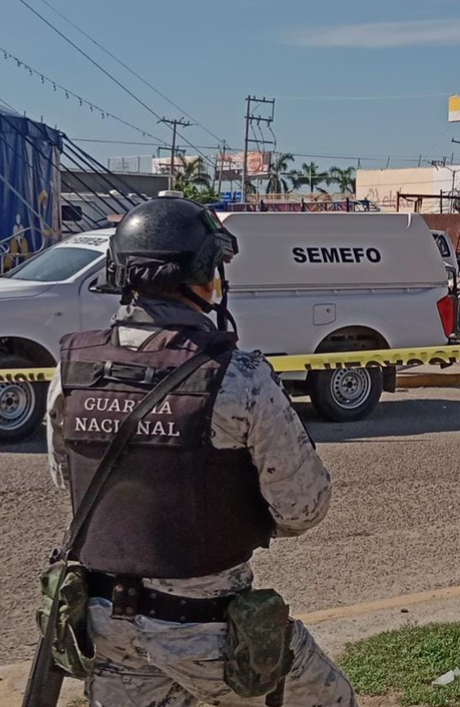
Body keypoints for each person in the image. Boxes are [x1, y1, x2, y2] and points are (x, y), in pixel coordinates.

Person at [45, 191, 356, 707]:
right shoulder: (239, 377)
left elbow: (68, 480)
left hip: (103, 628)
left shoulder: (71, 369)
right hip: (209, 634)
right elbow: (304, 507)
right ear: (202, 276)